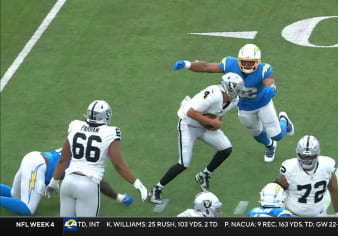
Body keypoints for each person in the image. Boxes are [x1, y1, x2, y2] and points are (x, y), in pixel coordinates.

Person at [173, 43, 294, 162]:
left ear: (257, 61)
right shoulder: (231, 64)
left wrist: (272, 88)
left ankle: (284, 120)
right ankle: (270, 145)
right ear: (239, 60)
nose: (247, 64)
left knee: (276, 134)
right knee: (256, 133)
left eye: (251, 62)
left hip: (263, 103)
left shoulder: (264, 69)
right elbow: (207, 67)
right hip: (244, 107)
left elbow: (269, 80)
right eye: (244, 61)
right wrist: (187, 64)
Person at [149, 73, 244, 204]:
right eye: (237, 90)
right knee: (184, 163)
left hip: (204, 127)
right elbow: (191, 112)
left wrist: (213, 125)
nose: (238, 93)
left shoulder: (234, 100)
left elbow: (219, 115)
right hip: (188, 125)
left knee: (226, 148)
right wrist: (210, 122)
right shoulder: (213, 93)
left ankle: (204, 175)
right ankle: (157, 188)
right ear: (229, 88)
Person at [45, 100, 148, 217]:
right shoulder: (111, 132)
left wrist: (54, 181)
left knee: (68, 227)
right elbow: (118, 164)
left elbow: (63, 159)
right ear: (106, 116)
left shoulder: (75, 125)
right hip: (89, 185)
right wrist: (137, 183)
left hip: (68, 183)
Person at [0, 149, 133, 216]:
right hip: (38, 167)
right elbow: (101, 184)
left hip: (33, 157)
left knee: (14, 195)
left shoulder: (77, 144)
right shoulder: (86, 162)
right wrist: (119, 198)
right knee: (28, 209)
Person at [275, 135, 338, 217]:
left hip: (319, 215)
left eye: (310, 156)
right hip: (293, 215)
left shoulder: (327, 166)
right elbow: (276, 191)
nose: (307, 160)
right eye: (304, 156)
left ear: (317, 154)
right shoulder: (290, 168)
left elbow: (334, 191)